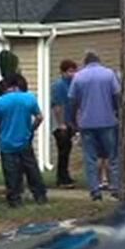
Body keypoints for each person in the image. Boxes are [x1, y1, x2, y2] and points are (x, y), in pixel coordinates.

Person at [69, 51, 122, 201]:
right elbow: (117, 95)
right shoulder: (109, 74)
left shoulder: (78, 76)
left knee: (90, 158)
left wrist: (73, 120)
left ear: (85, 63)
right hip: (108, 121)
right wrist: (118, 113)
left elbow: (72, 100)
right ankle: (115, 188)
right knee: (113, 156)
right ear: (99, 61)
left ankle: (95, 190)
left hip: (86, 123)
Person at [0, 74, 48, 207]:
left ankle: (15, 199)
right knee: (32, 169)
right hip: (24, 140)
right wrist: (31, 129)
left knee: (11, 173)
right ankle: (40, 196)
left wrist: (2, 130)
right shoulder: (29, 98)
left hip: (6, 143)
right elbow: (39, 117)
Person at [50, 59, 79, 189]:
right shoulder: (59, 85)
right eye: (70, 71)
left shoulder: (73, 84)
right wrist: (61, 123)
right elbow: (57, 106)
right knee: (63, 151)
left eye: (74, 71)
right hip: (60, 124)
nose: (72, 74)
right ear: (63, 72)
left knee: (67, 150)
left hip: (70, 123)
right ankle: (62, 179)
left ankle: (65, 175)